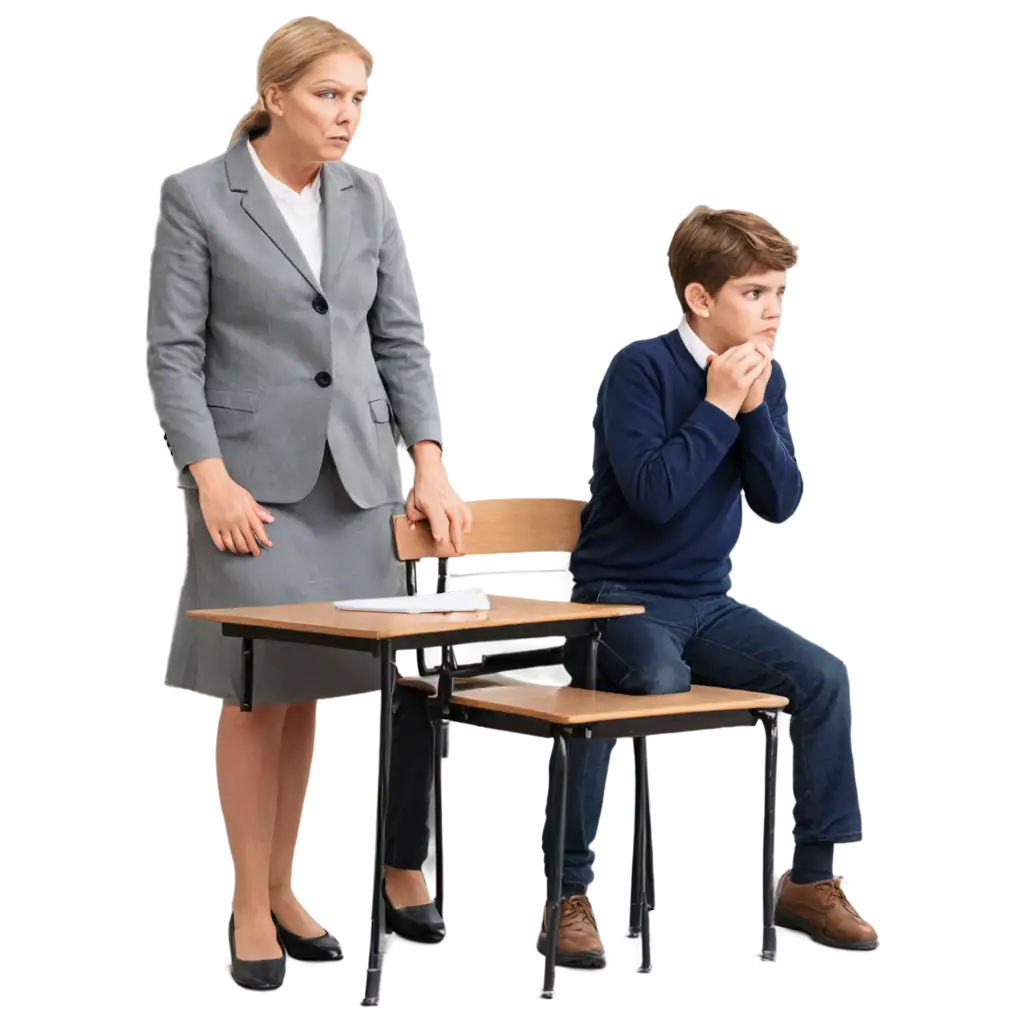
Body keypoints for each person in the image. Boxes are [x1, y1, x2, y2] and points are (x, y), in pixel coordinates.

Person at [145, 16, 471, 990]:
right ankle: (247, 900)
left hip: (353, 480)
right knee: (251, 697)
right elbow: (171, 352)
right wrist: (210, 477)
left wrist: (429, 459)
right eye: (329, 94)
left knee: (309, 698)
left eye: (359, 98)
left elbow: (401, 337)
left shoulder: (369, 198)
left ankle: (288, 887)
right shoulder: (196, 196)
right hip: (247, 485)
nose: (348, 116)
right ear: (276, 92)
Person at [552, 206, 879, 967]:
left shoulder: (765, 377)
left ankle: (812, 883)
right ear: (702, 299)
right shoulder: (641, 368)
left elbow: (779, 502)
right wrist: (719, 406)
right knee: (650, 679)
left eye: (780, 295)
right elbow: (655, 496)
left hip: (708, 602)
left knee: (824, 677)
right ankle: (567, 894)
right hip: (618, 596)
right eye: (756, 294)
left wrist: (755, 413)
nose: (773, 313)